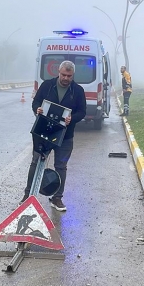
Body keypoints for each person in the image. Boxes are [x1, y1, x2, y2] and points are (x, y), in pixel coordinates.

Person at [21, 60, 86, 212]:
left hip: (65, 135)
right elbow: (36, 101)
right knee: (36, 162)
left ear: (73, 75)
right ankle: (28, 195)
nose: (66, 78)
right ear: (58, 72)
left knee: (61, 166)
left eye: (69, 76)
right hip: (43, 132)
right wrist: (37, 109)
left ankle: (57, 198)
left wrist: (72, 119)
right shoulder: (47, 85)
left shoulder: (77, 90)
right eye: (63, 74)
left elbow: (82, 111)